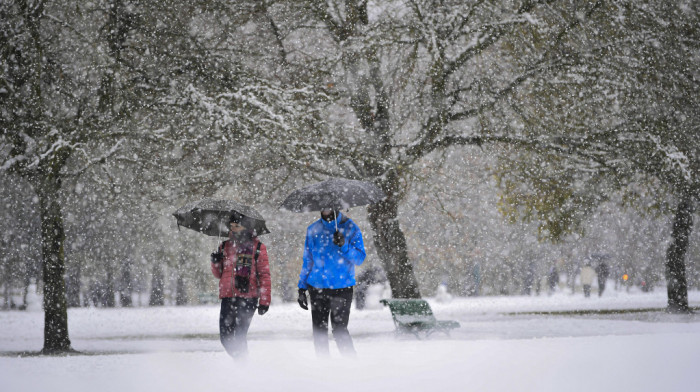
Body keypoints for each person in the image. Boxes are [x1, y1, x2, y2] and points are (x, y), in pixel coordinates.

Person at [297, 208, 366, 356]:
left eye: (329, 205)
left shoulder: (350, 228)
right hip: (316, 287)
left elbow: (359, 258)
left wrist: (344, 245)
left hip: (342, 288)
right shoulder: (313, 229)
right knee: (319, 331)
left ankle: (352, 366)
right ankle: (324, 368)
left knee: (340, 330)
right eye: (322, 205)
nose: (325, 208)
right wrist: (302, 287)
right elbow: (308, 260)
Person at [211, 212, 271, 358]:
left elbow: (264, 275)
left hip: (248, 298)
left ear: (246, 226)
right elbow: (218, 274)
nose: (233, 229)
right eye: (231, 226)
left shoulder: (257, 247)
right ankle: (243, 364)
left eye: (236, 226)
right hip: (228, 296)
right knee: (225, 337)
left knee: (239, 336)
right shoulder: (224, 246)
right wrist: (215, 262)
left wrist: (265, 301)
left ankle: (243, 371)